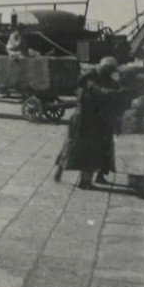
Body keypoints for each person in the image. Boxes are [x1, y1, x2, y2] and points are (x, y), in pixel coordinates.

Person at [60, 56, 122, 189]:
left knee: (104, 148)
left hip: (97, 119)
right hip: (85, 121)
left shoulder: (104, 76)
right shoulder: (90, 79)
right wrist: (119, 93)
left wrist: (118, 85)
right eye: (110, 69)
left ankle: (100, 175)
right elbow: (100, 92)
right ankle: (84, 181)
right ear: (105, 68)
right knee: (87, 151)